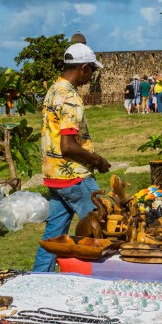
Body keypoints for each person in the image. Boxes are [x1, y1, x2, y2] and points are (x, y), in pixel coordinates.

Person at [35, 43, 112, 272]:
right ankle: (100, 278)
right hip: (74, 175)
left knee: (54, 236)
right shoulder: (70, 97)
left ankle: (37, 279)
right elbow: (67, 145)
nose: (91, 76)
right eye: (92, 71)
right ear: (84, 68)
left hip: (54, 174)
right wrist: (97, 160)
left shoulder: (53, 90)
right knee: (103, 227)